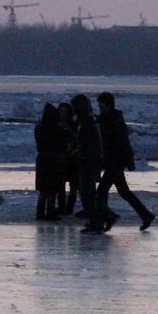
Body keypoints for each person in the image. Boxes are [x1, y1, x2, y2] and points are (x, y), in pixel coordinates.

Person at [97, 92, 156, 231]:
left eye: (101, 104)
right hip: (113, 161)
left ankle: (106, 218)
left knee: (101, 191)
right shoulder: (107, 119)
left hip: (115, 161)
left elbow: (123, 142)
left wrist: (128, 161)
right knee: (124, 192)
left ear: (108, 104)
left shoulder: (114, 120)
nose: (99, 106)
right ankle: (146, 215)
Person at [66, 93, 107, 232]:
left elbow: (88, 144)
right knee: (88, 193)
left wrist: (78, 153)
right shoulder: (88, 121)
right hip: (90, 162)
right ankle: (99, 219)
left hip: (88, 162)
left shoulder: (87, 122)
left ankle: (96, 223)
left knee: (87, 194)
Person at [32, 102, 67, 221]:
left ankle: (40, 212)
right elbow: (64, 142)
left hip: (42, 158)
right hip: (54, 159)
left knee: (43, 189)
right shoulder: (58, 129)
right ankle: (50, 212)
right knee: (53, 188)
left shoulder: (38, 128)